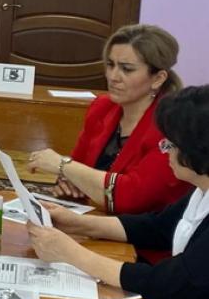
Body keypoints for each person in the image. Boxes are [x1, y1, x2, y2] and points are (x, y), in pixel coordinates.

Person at [28, 85, 209, 299]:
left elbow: (166, 284)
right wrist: (76, 222)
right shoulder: (201, 190)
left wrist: (71, 253)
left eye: (170, 145)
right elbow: (157, 227)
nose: (165, 151)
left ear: (198, 151)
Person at [27, 25, 191, 261]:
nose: (113, 77)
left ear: (158, 78)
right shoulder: (102, 107)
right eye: (110, 65)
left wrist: (63, 165)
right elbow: (77, 167)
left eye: (126, 69)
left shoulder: (169, 125)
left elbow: (132, 197)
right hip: (94, 224)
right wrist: (69, 180)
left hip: (146, 246)